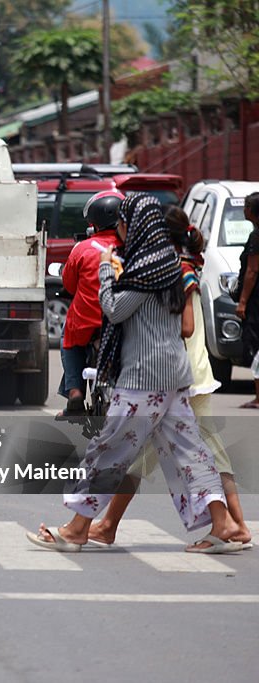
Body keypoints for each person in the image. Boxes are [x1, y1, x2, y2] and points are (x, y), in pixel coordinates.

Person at [26, 193, 242, 555]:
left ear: (135, 226)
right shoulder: (173, 263)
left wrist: (108, 271)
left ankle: (77, 529)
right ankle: (223, 526)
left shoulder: (143, 267)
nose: (120, 231)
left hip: (144, 377)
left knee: (109, 450)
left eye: (123, 223)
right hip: (173, 374)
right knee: (191, 453)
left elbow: (113, 310)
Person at [87, 206, 251, 548]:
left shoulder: (176, 270)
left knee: (163, 455)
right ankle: (231, 525)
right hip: (178, 378)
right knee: (171, 455)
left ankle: (235, 526)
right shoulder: (175, 267)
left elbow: (183, 325)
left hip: (176, 379)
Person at [57, 190, 124, 414]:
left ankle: (75, 391)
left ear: (94, 222)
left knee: (68, 335)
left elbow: (69, 285)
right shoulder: (131, 248)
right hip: (122, 320)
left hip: (86, 323)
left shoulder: (82, 249)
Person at [234, 191, 259, 409]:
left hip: (256, 301)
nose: (244, 210)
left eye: (245, 206)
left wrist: (242, 302)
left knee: (254, 344)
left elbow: (252, 271)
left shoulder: (256, 237)